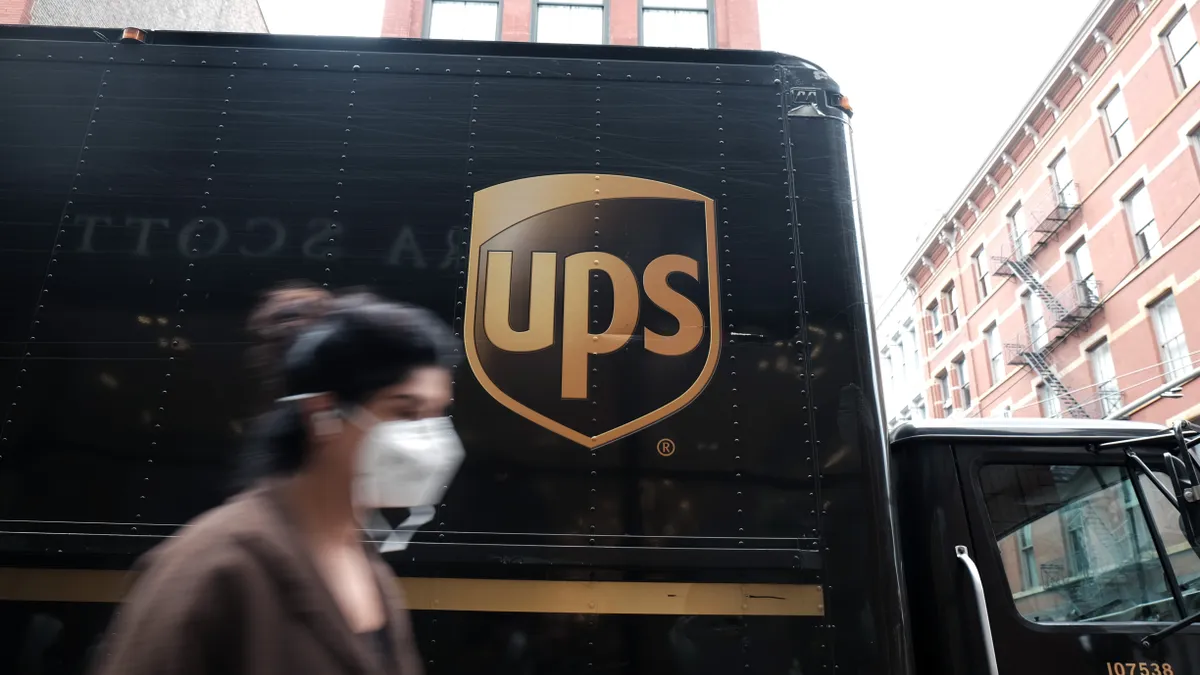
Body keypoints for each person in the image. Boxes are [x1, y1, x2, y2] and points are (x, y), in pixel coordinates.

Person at [89, 282, 461, 675]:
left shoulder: (372, 572)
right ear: (323, 415)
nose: (429, 438)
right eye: (405, 412)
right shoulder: (216, 565)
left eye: (439, 413)